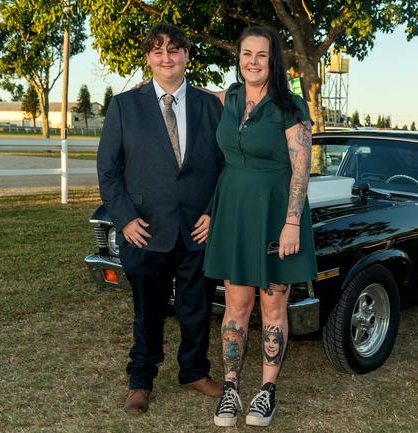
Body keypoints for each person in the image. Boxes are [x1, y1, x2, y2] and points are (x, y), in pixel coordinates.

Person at [97, 23, 224, 414]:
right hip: (144, 229)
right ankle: (141, 381)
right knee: (148, 310)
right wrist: (125, 219)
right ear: (149, 58)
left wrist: (213, 212)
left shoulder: (209, 106)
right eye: (157, 51)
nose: (166, 57)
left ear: (187, 55)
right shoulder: (124, 106)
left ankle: (194, 371)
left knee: (196, 307)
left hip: (197, 229)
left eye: (174, 50)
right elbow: (108, 170)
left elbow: (225, 167)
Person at [202, 26, 317, 428]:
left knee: (272, 303)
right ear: (238, 57)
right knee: (235, 304)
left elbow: (301, 170)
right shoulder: (230, 98)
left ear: (274, 60)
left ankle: (266, 391)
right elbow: (191, 91)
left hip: (275, 214)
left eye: (261, 55)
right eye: (246, 53)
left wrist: (291, 223)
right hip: (234, 211)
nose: (252, 61)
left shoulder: (291, 106)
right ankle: (231, 389)